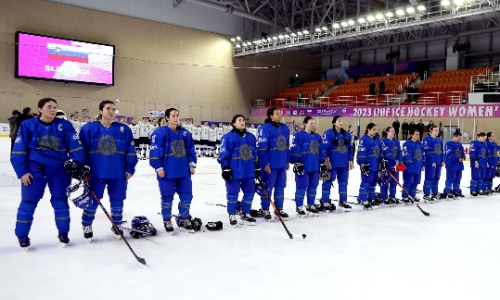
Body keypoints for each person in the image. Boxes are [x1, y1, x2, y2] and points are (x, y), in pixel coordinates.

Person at [11, 98, 85, 248]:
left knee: (61, 203)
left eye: (55, 107)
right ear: (39, 108)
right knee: (28, 204)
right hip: (34, 171)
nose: (52, 110)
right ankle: (22, 236)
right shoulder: (27, 125)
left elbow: (76, 146)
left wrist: (77, 164)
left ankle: (63, 233)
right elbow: (18, 150)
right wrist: (22, 172)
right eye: (49, 107)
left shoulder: (65, 125)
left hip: (59, 171)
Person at [79, 100, 138, 240]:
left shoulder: (124, 129)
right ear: (101, 111)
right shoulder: (88, 129)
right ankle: (86, 224)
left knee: (118, 201)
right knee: (92, 202)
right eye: (108, 108)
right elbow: (81, 151)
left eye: (114, 109)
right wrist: (83, 170)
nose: (111, 112)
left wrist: (130, 168)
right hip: (95, 172)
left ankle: (116, 225)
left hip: (118, 172)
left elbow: (130, 150)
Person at [149, 108, 197, 233]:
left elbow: (191, 149)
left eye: (177, 115)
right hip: (167, 171)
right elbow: (155, 151)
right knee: (167, 197)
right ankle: (167, 220)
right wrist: (158, 167)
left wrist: (192, 164)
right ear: (167, 118)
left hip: (183, 171)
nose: (176, 118)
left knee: (187, 196)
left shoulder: (185, 133)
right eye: (173, 116)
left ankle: (184, 218)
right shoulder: (159, 133)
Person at [217, 114, 259, 226]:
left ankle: (246, 212)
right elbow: (223, 154)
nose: (242, 122)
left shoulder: (251, 137)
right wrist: (225, 167)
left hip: (249, 170)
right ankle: (232, 213)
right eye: (239, 120)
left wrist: (257, 166)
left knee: (249, 193)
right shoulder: (228, 137)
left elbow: (254, 153)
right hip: (234, 170)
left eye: (243, 120)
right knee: (232, 194)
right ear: (234, 123)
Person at [257, 107, 290, 220]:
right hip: (270, 164)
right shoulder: (265, 128)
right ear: (271, 116)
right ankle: (265, 209)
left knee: (280, 187)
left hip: (281, 162)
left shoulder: (285, 127)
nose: (279, 114)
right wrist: (265, 163)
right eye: (277, 113)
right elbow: (262, 147)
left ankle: (278, 209)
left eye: (280, 113)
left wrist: (287, 160)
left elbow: (286, 145)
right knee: (268, 187)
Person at [290, 116, 324, 216]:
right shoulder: (298, 135)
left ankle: (310, 205)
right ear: (305, 124)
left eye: (314, 123)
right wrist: (297, 162)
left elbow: (321, 150)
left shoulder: (317, 137)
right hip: (303, 166)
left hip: (315, 166)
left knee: (313, 186)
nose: (313, 125)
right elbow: (294, 149)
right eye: (311, 123)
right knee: (301, 186)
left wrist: (322, 163)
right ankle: (299, 206)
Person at [320, 116, 354, 211]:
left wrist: (351, 160)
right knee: (327, 182)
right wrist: (326, 160)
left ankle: (343, 201)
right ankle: (325, 201)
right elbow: (325, 148)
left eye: (342, 120)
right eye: (339, 120)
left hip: (344, 163)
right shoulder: (328, 133)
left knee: (343, 183)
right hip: (332, 163)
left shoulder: (347, 134)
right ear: (334, 123)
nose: (341, 122)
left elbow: (350, 148)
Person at [357, 123, 383, 210]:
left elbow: (380, 151)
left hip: (375, 165)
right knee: (366, 183)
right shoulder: (364, 139)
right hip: (368, 165)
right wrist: (363, 164)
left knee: (373, 184)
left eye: (376, 129)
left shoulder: (376, 140)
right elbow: (361, 152)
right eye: (374, 129)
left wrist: (382, 161)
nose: (376, 131)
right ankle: (363, 199)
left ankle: (371, 199)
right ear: (368, 129)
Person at [380, 126, 403, 205]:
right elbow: (387, 152)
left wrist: (399, 160)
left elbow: (399, 152)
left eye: (394, 131)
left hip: (395, 165)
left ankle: (392, 197)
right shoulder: (383, 141)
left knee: (394, 181)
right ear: (387, 132)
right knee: (385, 181)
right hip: (387, 164)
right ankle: (384, 197)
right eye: (392, 131)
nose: (393, 132)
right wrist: (394, 160)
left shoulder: (397, 141)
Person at [401, 129, 425, 203]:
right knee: (408, 182)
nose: (418, 136)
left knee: (415, 183)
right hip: (409, 167)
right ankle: (405, 197)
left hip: (418, 166)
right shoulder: (407, 144)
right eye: (416, 134)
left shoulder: (420, 144)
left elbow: (423, 155)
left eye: (418, 134)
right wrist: (410, 167)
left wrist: (423, 164)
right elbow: (406, 156)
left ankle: (412, 195)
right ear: (411, 135)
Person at [422, 125, 444, 202]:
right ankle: (426, 194)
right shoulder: (427, 139)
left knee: (436, 178)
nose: (437, 131)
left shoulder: (439, 140)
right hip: (430, 163)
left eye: (438, 130)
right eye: (435, 130)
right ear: (430, 131)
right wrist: (432, 161)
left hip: (438, 162)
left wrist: (442, 160)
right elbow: (427, 151)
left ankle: (434, 193)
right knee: (429, 178)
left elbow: (442, 151)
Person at [443, 132, 466, 198]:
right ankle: (448, 191)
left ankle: (456, 191)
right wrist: (457, 158)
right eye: (459, 138)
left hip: (459, 165)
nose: (459, 139)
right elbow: (449, 154)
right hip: (451, 164)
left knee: (458, 178)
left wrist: (463, 157)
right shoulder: (448, 144)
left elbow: (462, 152)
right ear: (454, 136)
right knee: (450, 178)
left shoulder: (460, 144)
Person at [469, 132, 488, 197]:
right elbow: (472, 152)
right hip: (476, 162)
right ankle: (473, 190)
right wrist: (475, 160)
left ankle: (480, 189)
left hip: (483, 162)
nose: (484, 140)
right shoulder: (474, 143)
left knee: (481, 177)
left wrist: (487, 162)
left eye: (485, 138)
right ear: (479, 137)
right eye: (483, 138)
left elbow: (486, 153)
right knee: (475, 176)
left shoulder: (485, 144)